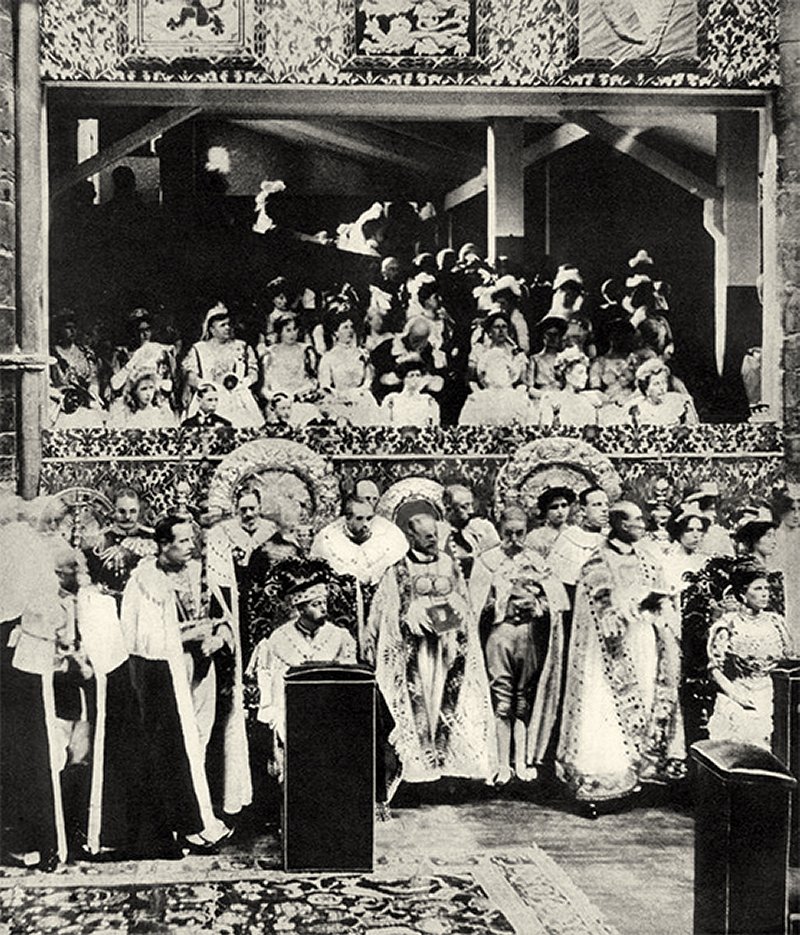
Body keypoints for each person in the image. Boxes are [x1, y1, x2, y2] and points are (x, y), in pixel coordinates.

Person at [556, 501, 685, 816]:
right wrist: (622, 610)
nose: (643, 524)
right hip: (606, 654)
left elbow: (661, 595)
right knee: (605, 713)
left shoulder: (648, 559)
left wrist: (656, 606)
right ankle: (601, 783)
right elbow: (597, 610)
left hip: (644, 642)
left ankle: (640, 775)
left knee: (645, 698)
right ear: (619, 524)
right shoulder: (595, 564)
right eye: (637, 520)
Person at [121, 516, 234, 854]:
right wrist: (190, 636)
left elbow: (225, 620)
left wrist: (217, 638)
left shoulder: (201, 573)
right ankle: (185, 826)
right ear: (162, 545)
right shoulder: (144, 581)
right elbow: (139, 638)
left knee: (199, 741)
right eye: (182, 541)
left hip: (204, 668)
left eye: (191, 540)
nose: (190, 547)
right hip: (166, 673)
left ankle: (198, 818)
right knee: (177, 746)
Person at [365, 509, 496, 786]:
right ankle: (417, 770)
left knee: (443, 703)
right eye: (425, 537)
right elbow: (387, 612)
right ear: (410, 536)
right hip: (416, 653)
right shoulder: (398, 570)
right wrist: (409, 615)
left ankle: (447, 768)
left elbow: (464, 603)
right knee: (420, 702)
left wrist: (455, 613)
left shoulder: (450, 564)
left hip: (446, 652)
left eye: (435, 536)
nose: (432, 541)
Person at [469, 506, 569, 784]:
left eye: (519, 533)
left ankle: (522, 762)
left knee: (523, 700)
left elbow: (558, 601)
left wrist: (536, 603)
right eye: (508, 533)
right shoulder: (487, 560)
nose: (514, 539)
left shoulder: (537, 560)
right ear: (499, 531)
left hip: (527, 636)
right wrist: (503, 598)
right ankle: (502, 765)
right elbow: (475, 605)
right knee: (502, 701)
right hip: (499, 636)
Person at [246, 559, 357, 777]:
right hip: (289, 707)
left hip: (328, 705)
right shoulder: (277, 640)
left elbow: (348, 676)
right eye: (316, 605)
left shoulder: (339, 636)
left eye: (324, 603)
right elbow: (267, 678)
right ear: (301, 608)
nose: (324, 608)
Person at [310, 494, 407, 654]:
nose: (366, 524)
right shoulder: (328, 539)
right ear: (347, 519)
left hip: (382, 614)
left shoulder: (389, 535)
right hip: (344, 615)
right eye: (360, 519)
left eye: (370, 518)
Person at [707, 566, 791, 749]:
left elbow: (788, 658)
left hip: (772, 691)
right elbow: (714, 668)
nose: (764, 594)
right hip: (738, 691)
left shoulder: (776, 622)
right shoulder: (728, 624)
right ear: (742, 594)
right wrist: (737, 696)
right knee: (742, 733)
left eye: (766, 589)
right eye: (757, 589)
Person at [182, 302, 263, 429]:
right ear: (211, 329)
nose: (228, 328)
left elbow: (254, 372)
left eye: (229, 324)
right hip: (210, 396)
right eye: (222, 325)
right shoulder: (200, 349)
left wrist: (244, 383)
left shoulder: (241, 346)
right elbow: (191, 375)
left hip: (237, 397)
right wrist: (205, 386)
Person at [84, 487, 155, 609]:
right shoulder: (101, 539)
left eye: (133, 511)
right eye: (121, 511)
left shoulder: (151, 536)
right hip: (108, 607)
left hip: (144, 606)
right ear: (113, 511)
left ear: (139, 511)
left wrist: (130, 551)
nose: (127, 517)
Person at [460, 311, 532, 426]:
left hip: (510, 397)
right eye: (496, 327)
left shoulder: (516, 353)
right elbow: (471, 378)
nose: (501, 330)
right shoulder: (480, 351)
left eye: (504, 327)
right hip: (486, 396)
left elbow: (523, 381)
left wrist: (519, 393)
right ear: (489, 331)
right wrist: (479, 394)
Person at [317, 312, 380, 426]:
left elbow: (368, 380)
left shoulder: (362, 354)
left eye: (351, 327)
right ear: (336, 332)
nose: (350, 331)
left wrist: (357, 392)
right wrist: (340, 395)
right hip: (339, 400)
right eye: (345, 327)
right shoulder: (328, 357)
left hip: (361, 397)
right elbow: (325, 385)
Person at [546, 485, 609, 593]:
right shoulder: (570, 538)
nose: (605, 509)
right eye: (597, 505)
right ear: (583, 510)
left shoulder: (611, 537)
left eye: (607, 504)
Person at [258, 315, 320, 424]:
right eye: (288, 330)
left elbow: (313, 381)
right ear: (280, 332)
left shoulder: (306, 351)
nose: (292, 334)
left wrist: (300, 394)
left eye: (295, 330)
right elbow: (265, 387)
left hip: (300, 399)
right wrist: (275, 397)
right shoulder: (270, 353)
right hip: (278, 401)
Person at [437, 483, 500, 581]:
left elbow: (497, 561)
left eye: (471, 504)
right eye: (464, 506)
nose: (471, 511)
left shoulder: (483, 528)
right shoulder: (437, 533)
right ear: (448, 508)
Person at [539, 346, 604, 428]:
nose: (586, 377)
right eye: (580, 373)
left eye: (586, 373)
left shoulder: (590, 398)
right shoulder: (553, 399)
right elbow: (545, 429)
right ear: (567, 375)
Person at [626, 359, 698, 427]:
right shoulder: (637, 408)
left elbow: (694, 430)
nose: (662, 388)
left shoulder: (679, 402)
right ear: (646, 390)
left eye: (664, 382)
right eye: (656, 384)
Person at [108, 367, 177, 429]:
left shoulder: (162, 412)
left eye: (151, 387)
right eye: (143, 389)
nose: (148, 393)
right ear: (134, 391)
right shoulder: (125, 414)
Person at [380, 356, 440, 426]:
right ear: (404, 378)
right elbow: (384, 423)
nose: (415, 379)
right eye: (411, 375)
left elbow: (435, 424)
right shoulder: (392, 400)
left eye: (418, 375)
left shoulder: (428, 401)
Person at [525, 486, 576, 561]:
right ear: (546, 511)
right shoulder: (535, 537)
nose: (560, 511)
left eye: (564, 505)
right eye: (554, 507)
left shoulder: (575, 533)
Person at [684, 481, 734, 558]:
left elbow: (730, 558)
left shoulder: (719, 534)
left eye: (713, 509)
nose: (713, 514)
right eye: (707, 507)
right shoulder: (684, 531)